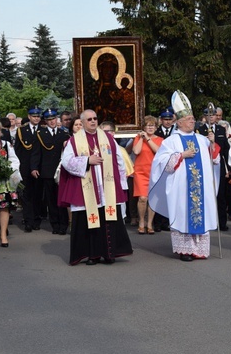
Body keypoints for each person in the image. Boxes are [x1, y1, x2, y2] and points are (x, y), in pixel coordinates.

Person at [149, 91, 220, 261]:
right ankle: (185, 250)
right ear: (179, 122)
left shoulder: (202, 139)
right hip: (181, 187)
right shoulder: (171, 141)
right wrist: (181, 155)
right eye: (189, 119)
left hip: (200, 187)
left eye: (193, 118)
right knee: (183, 215)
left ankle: (199, 250)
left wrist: (212, 143)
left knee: (200, 213)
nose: (192, 121)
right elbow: (161, 163)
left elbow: (214, 160)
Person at [58, 109, 132, 265]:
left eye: (95, 118)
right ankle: (92, 255)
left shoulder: (108, 139)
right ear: (83, 122)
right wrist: (86, 161)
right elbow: (66, 161)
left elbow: (119, 161)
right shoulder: (74, 140)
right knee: (89, 221)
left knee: (109, 220)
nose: (93, 121)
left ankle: (109, 253)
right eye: (89, 119)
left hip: (107, 188)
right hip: (87, 188)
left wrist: (121, 184)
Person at [30, 109, 70, 235]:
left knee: (61, 199)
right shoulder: (40, 134)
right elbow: (36, 153)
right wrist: (34, 167)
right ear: (45, 121)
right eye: (49, 120)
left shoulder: (64, 134)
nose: (52, 122)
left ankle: (64, 224)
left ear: (57, 119)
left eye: (53, 119)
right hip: (47, 171)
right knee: (51, 200)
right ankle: (55, 225)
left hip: (61, 170)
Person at [197, 106, 230, 231]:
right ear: (205, 117)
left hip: (218, 163)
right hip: (206, 163)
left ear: (217, 116)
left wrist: (229, 166)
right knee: (207, 194)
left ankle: (222, 222)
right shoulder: (199, 130)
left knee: (220, 194)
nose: (211, 117)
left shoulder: (221, 129)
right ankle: (208, 221)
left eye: (213, 115)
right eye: (208, 115)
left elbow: (225, 148)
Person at [131, 116, 163, 234]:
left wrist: (148, 140)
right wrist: (141, 138)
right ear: (144, 127)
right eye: (148, 125)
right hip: (140, 172)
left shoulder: (160, 140)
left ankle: (150, 223)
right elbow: (136, 151)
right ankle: (141, 222)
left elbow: (158, 151)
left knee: (152, 198)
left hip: (154, 172)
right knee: (142, 198)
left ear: (156, 127)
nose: (150, 127)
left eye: (153, 125)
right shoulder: (138, 138)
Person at [14, 107, 44, 232]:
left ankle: (37, 220)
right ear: (29, 117)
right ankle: (28, 221)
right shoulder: (22, 131)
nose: (36, 118)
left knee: (38, 195)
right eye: (34, 116)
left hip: (40, 168)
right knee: (26, 195)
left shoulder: (43, 130)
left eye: (38, 116)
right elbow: (18, 150)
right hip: (25, 168)